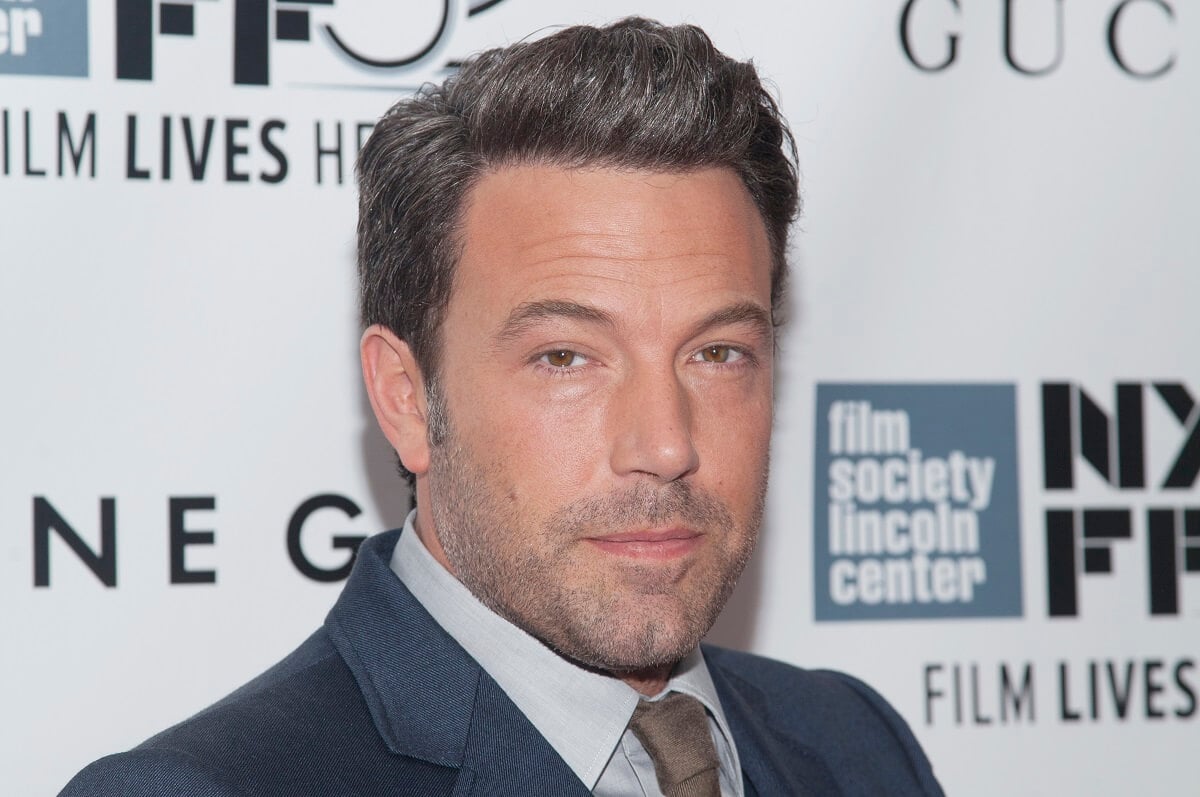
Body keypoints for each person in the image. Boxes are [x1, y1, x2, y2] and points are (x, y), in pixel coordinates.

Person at [62, 18, 943, 796]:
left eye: (717, 353)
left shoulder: (856, 745)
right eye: (566, 358)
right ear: (407, 398)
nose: (667, 444)